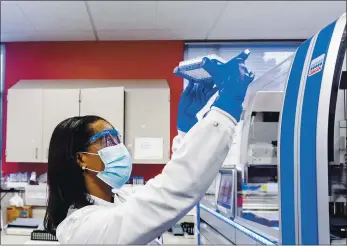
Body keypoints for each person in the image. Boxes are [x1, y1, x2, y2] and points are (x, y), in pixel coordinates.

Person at [44, 51, 255, 244]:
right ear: (80, 158)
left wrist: (187, 130)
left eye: (118, 138)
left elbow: (172, 183)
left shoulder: (119, 198)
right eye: (108, 140)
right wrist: (227, 107)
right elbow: (172, 192)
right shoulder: (81, 228)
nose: (119, 147)